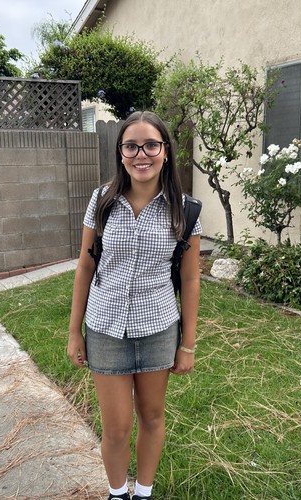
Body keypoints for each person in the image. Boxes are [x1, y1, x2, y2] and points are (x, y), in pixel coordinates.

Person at [67, 110, 201, 500]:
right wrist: (74, 331)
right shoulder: (102, 201)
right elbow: (85, 265)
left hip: (158, 328)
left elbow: (191, 280)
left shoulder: (185, 209)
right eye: (131, 146)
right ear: (120, 153)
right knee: (116, 428)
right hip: (106, 329)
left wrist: (188, 344)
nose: (141, 155)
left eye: (150, 145)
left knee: (152, 417)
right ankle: (117, 493)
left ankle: (142, 493)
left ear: (165, 151)